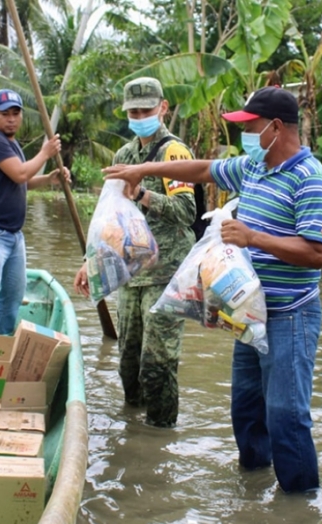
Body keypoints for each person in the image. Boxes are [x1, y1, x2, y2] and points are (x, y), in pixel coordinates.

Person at [102, 86, 322, 492]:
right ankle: (254, 486)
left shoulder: (311, 179)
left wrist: (254, 238)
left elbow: (317, 253)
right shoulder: (254, 167)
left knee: (286, 413)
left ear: (276, 128)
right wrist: (145, 171)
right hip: (249, 312)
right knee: (245, 409)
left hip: (291, 315)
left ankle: (299, 507)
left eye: (251, 126)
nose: (245, 135)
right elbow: (202, 170)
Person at [74, 77, 197, 428]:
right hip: (130, 274)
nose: (139, 115)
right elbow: (107, 219)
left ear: (163, 108)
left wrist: (143, 194)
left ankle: (160, 439)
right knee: (128, 362)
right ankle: (133, 435)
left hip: (167, 274)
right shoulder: (124, 156)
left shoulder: (174, 154)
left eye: (146, 109)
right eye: (133, 111)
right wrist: (89, 261)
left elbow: (186, 212)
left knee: (157, 363)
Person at [0, 88, 69, 335]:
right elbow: (21, 173)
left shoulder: (12, 144)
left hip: (14, 236)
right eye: (5, 114)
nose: (11, 118)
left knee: (13, 296)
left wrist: (50, 178)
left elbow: (22, 181)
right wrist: (45, 153)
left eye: (16, 113)